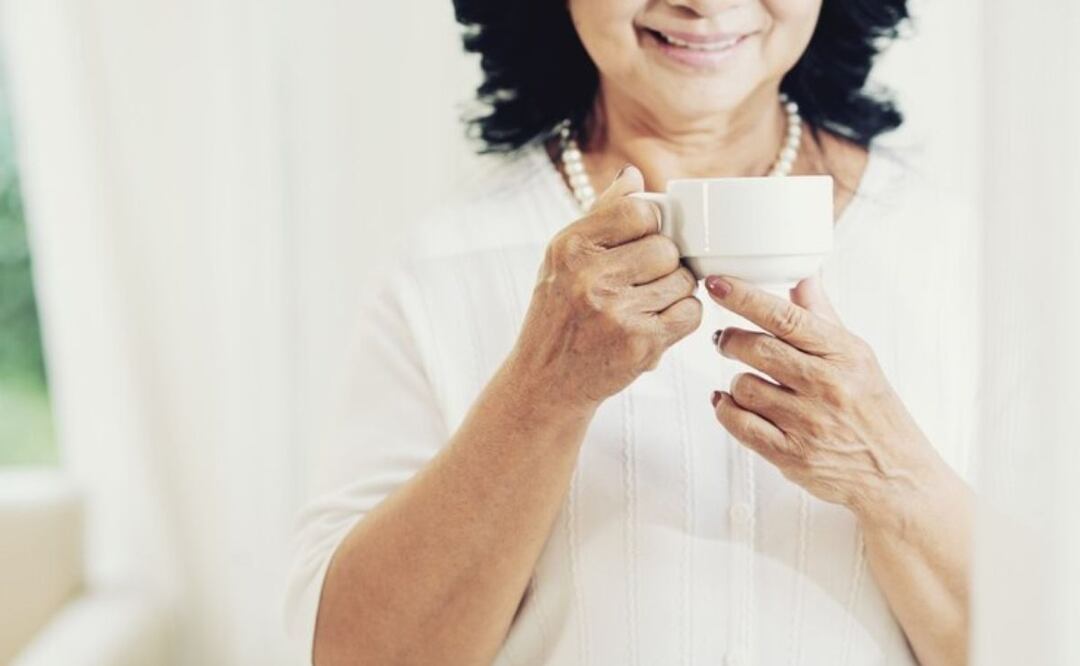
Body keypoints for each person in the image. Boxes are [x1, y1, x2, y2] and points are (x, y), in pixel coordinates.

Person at [284, 0, 981, 664]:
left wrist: (892, 475)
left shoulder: (961, 254)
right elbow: (357, 656)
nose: (705, 4)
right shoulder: (439, 269)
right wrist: (540, 392)